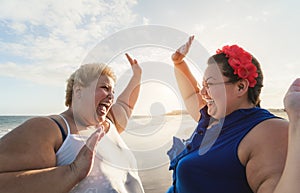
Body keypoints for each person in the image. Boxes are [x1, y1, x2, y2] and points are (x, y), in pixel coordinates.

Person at [166, 36, 297, 193]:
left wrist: (298, 121)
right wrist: (178, 62)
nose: (202, 92)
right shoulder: (213, 119)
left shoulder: (269, 131)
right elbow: (191, 94)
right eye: (203, 85)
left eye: (210, 84)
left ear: (241, 87)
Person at [0, 53, 145, 193]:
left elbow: (126, 104)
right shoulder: (51, 129)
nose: (111, 96)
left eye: (113, 91)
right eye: (104, 88)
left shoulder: (108, 123)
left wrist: (137, 75)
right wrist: (73, 171)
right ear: (79, 91)